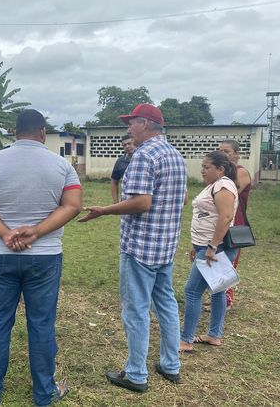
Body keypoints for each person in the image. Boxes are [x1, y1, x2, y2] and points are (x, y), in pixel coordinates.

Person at [0, 109, 82, 406]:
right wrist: (36, 232)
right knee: (42, 324)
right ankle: (44, 393)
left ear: (14, 131)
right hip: (44, 256)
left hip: (1, 255)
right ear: (42, 132)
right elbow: (72, 205)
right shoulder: (62, 166)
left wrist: (5, 233)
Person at [79, 103, 187, 392]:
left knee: (136, 309)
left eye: (132, 122)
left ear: (145, 124)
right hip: (165, 245)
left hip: (140, 247)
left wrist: (104, 210)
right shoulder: (175, 155)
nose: (128, 128)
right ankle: (170, 364)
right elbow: (181, 199)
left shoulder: (143, 155)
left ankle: (136, 374)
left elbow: (141, 202)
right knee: (166, 304)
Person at [179, 151, 239, 352]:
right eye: (202, 167)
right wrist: (196, 245)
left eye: (207, 167)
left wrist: (212, 247)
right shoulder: (214, 185)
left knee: (192, 291)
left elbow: (226, 217)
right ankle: (214, 335)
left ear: (220, 169)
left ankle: (186, 340)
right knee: (218, 289)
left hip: (216, 248)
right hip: (206, 246)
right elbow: (206, 216)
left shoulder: (223, 186)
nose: (202, 171)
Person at [219, 139, 252, 309]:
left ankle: (226, 299)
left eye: (226, 151)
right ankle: (218, 297)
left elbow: (229, 192)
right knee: (218, 259)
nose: (222, 154)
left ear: (236, 154)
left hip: (235, 223)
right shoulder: (222, 172)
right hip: (221, 220)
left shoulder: (241, 172)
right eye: (220, 151)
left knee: (229, 262)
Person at [111, 134, 135, 203]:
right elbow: (114, 181)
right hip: (125, 201)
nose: (127, 146)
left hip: (141, 200)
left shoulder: (143, 158)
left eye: (129, 143)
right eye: (124, 145)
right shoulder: (120, 161)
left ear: (135, 143)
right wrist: (115, 202)